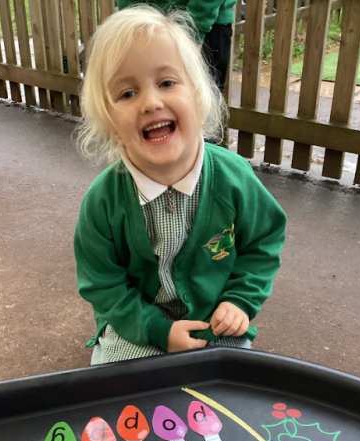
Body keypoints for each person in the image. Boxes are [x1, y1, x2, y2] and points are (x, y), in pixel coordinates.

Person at [74, 5, 287, 365]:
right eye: (127, 94)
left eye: (167, 83)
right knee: (115, 391)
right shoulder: (103, 201)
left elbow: (263, 242)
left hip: (214, 324)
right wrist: (156, 330)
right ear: (110, 124)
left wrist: (240, 301)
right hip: (137, 326)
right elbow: (102, 283)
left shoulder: (235, 179)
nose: (151, 102)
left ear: (198, 95)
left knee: (230, 388)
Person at [116, 0, 236, 90]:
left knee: (202, 105)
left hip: (205, 27)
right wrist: (132, 24)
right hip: (144, 27)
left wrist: (193, 30)